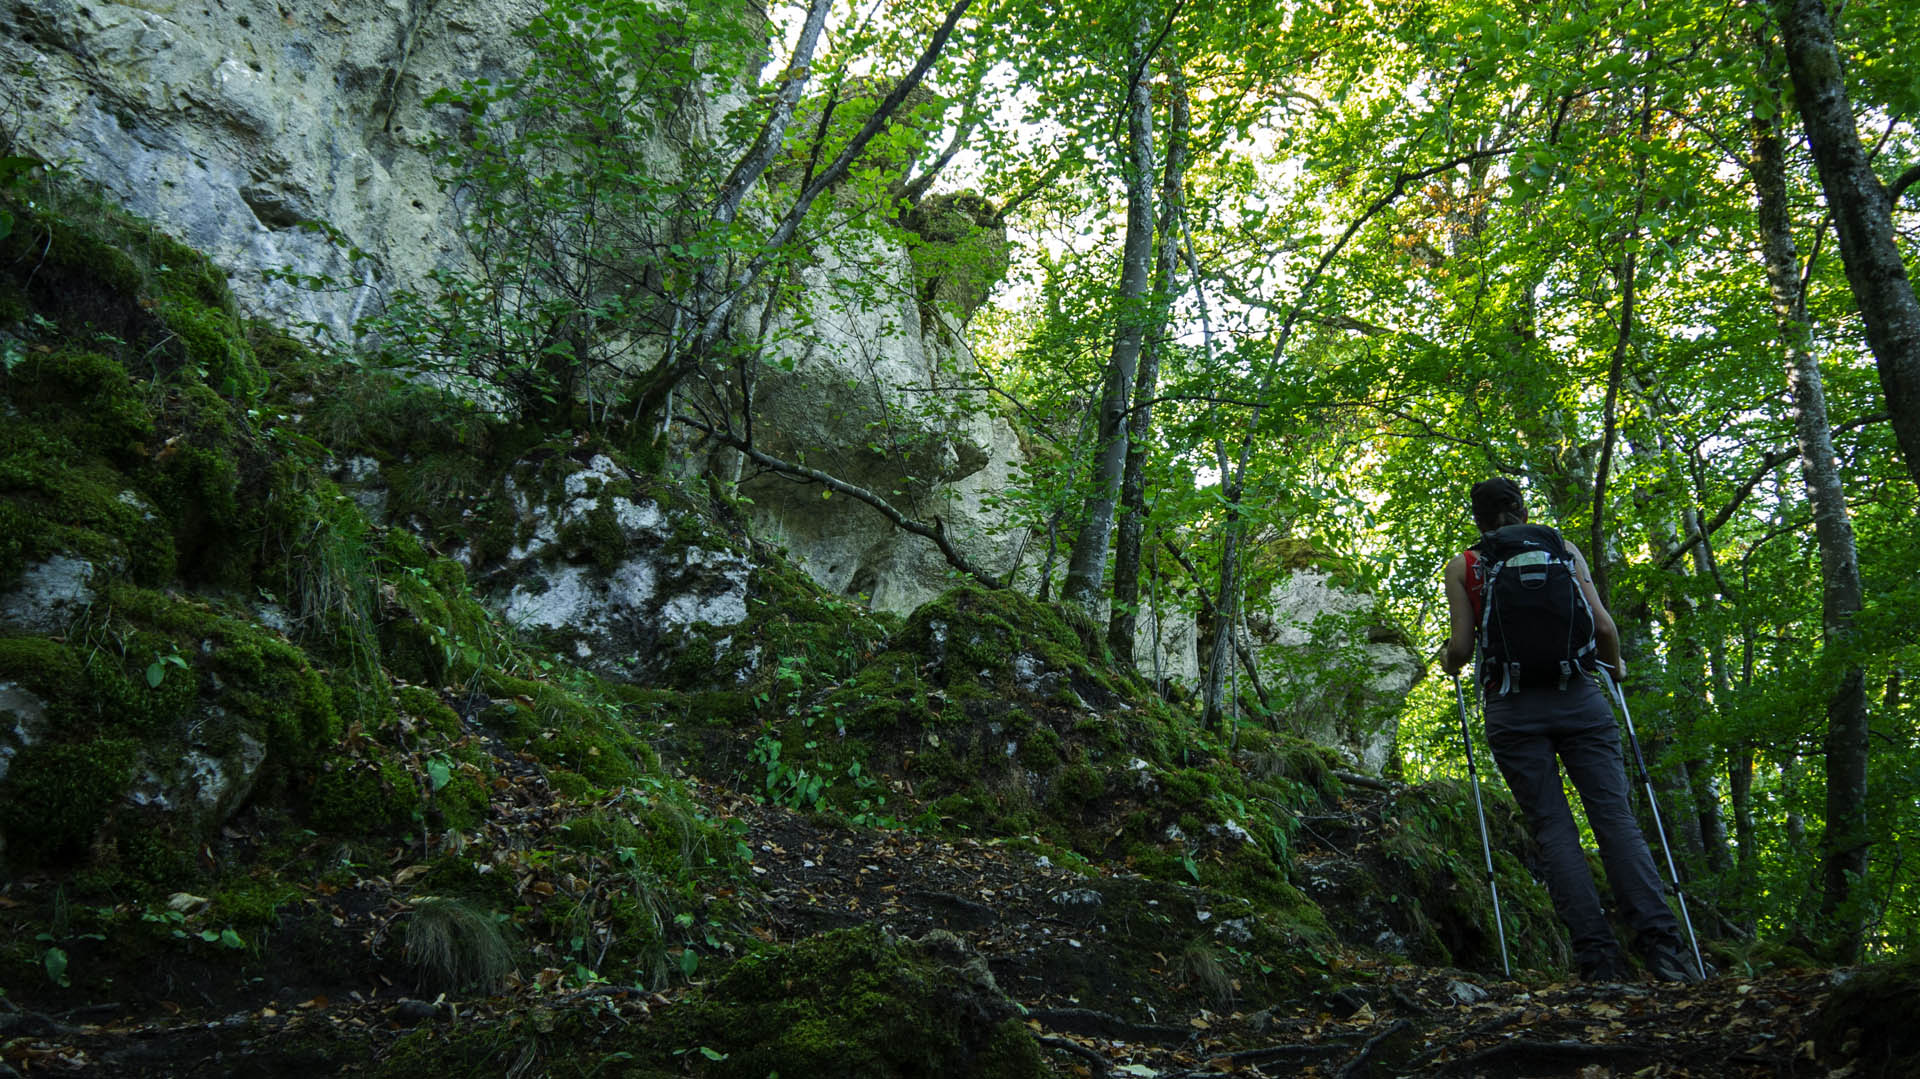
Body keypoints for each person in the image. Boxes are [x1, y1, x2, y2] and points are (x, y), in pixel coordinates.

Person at [1440, 477, 1698, 984]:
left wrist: (1447, 659)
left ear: (1478, 518)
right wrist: (1616, 667)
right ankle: (1666, 951)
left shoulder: (1465, 565)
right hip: (1580, 698)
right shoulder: (1561, 547)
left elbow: (1463, 649)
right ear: (1522, 508)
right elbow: (1603, 629)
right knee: (1615, 820)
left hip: (1512, 710)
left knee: (1554, 830)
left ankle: (1599, 961)